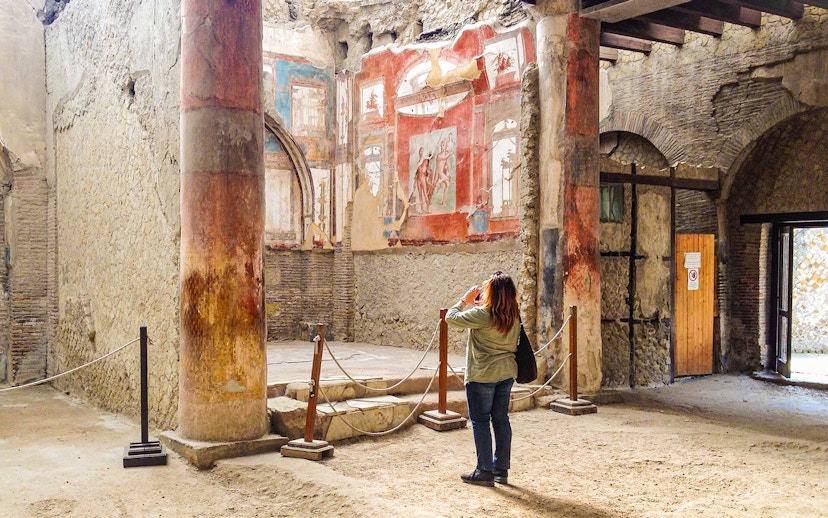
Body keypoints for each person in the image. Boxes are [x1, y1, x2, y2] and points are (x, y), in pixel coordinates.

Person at [446, 270, 520, 487]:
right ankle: (501, 470)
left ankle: (484, 470)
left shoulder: (482, 315)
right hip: (506, 373)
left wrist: (465, 301)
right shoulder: (514, 314)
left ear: (493, 293)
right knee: (501, 419)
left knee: (480, 422)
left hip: (483, 375)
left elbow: (450, 317)